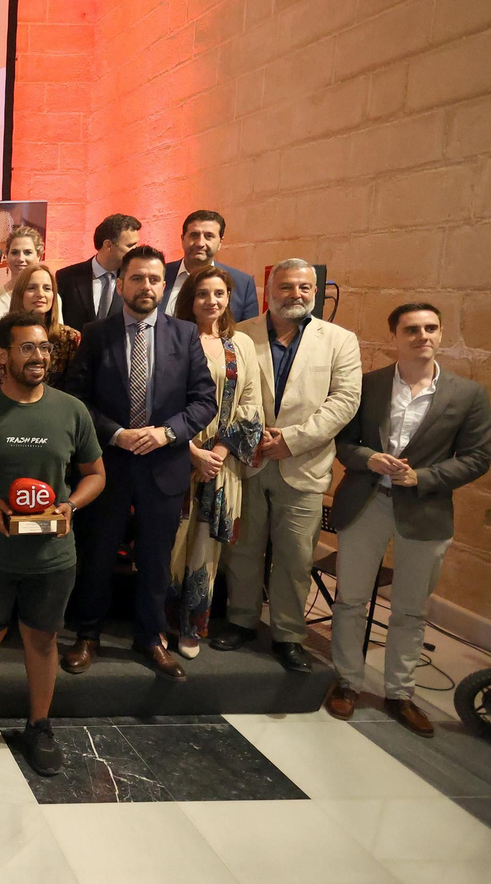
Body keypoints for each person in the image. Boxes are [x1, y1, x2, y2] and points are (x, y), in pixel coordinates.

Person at [0, 315, 105, 775]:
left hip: (52, 558)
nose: (39, 357)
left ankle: (39, 725)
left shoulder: (71, 411)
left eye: (45, 348)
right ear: (2, 356)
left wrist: (71, 507)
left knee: (42, 640)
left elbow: (95, 474)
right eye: (27, 348)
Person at [325, 303, 491, 736]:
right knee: (351, 599)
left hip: (425, 508)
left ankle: (400, 693)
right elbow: (343, 442)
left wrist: (425, 476)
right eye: (412, 329)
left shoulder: (467, 394)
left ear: (441, 334)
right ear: (395, 337)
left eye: (431, 328)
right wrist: (368, 458)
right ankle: (347, 681)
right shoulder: (370, 385)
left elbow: (478, 458)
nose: (423, 336)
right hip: (367, 502)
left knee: (411, 609)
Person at [61, 245, 217, 681]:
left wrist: (166, 433)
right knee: (96, 553)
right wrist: (116, 433)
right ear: (121, 283)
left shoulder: (184, 335)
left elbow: (204, 401)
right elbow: (76, 397)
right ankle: (87, 634)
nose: (145, 286)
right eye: (137, 279)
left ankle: (150, 638)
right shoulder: (95, 333)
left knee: (155, 557)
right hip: (106, 464)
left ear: (163, 286)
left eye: (153, 279)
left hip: (163, 463)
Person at [213, 259, 362, 672]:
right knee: (242, 550)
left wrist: (291, 441)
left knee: (295, 557)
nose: (295, 294)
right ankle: (241, 620)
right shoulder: (241, 334)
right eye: (286, 287)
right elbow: (229, 392)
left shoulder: (340, 341)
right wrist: (254, 437)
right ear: (269, 290)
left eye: (304, 287)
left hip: (305, 465)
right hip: (250, 460)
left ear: (315, 291)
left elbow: (345, 401)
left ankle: (288, 635)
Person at [165, 267, 264, 658]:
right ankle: (160, 623)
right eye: (203, 293)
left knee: (206, 549)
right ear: (190, 297)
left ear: (228, 299)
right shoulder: (172, 337)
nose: (212, 301)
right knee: (170, 544)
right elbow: (159, 400)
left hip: (221, 463)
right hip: (176, 455)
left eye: (219, 293)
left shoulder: (240, 345)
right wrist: (190, 450)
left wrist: (220, 452)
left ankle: (193, 626)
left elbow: (252, 406)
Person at [161, 209, 261, 323]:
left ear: (220, 242)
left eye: (209, 236)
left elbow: (248, 333)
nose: (200, 243)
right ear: (182, 239)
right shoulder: (160, 276)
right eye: (194, 235)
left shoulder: (242, 285)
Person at [56, 213, 140, 333]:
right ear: (108, 245)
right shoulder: (66, 277)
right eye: (130, 245)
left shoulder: (135, 280)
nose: (135, 250)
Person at [3, 262, 82, 387]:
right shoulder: (1, 335)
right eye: (31, 288)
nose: (40, 294)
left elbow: (76, 387)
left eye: (47, 288)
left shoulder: (70, 338)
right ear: (20, 294)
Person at [0, 225, 43, 332]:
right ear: (6, 256)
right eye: (15, 252)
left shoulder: (49, 298)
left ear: (39, 256)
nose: (21, 258)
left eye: (27, 252)